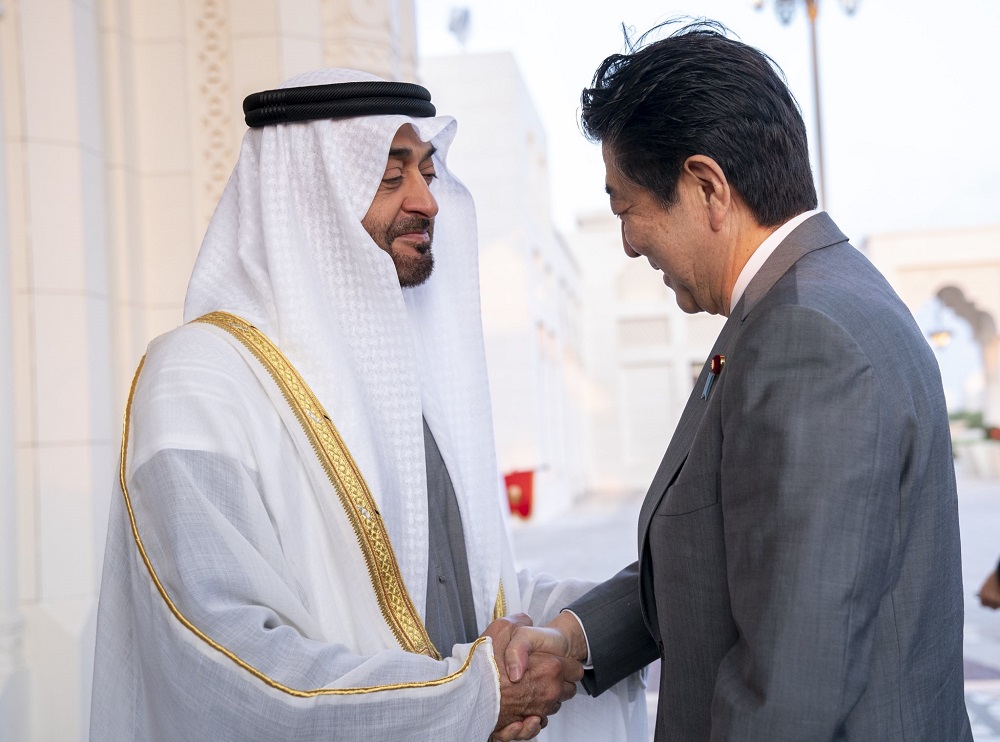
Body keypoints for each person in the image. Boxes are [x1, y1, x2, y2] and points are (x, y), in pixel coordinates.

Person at [90, 68, 646, 741]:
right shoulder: (197, 381)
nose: (426, 202)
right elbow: (224, 655)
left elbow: (467, 595)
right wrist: (464, 700)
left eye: (428, 174)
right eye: (390, 177)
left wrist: (565, 635)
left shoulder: (412, 385)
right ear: (308, 197)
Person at [506, 21, 973, 741]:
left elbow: (787, 691)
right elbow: (731, 564)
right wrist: (576, 638)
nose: (628, 243)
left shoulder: (805, 337)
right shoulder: (817, 298)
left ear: (706, 187)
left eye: (627, 207)